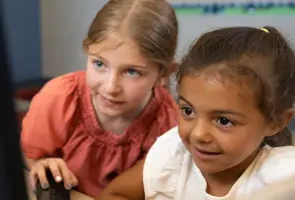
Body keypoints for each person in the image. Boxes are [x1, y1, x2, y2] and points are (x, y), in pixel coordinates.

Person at [97, 26, 295, 200]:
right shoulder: (173, 155)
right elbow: (116, 194)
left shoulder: (286, 181)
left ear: (276, 121)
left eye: (223, 121)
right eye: (187, 111)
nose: (198, 134)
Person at [20, 0, 178, 197]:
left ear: (164, 73)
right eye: (99, 64)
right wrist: (43, 164)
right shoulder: (59, 99)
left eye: (131, 72)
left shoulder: (168, 124)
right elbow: (32, 156)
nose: (111, 87)